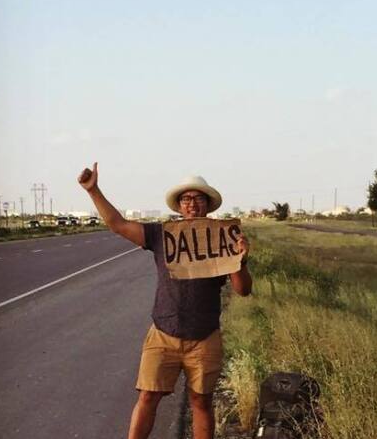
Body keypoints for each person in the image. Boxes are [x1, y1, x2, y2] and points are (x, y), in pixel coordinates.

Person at [78, 163, 252, 439]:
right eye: (186, 199)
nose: (192, 204)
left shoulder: (223, 238)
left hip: (204, 337)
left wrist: (240, 262)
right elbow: (118, 224)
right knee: (148, 397)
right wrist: (94, 190)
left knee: (201, 402)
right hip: (163, 334)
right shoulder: (162, 235)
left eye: (198, 198)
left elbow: (242, 290)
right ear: (179, 205)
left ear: (208, 205)